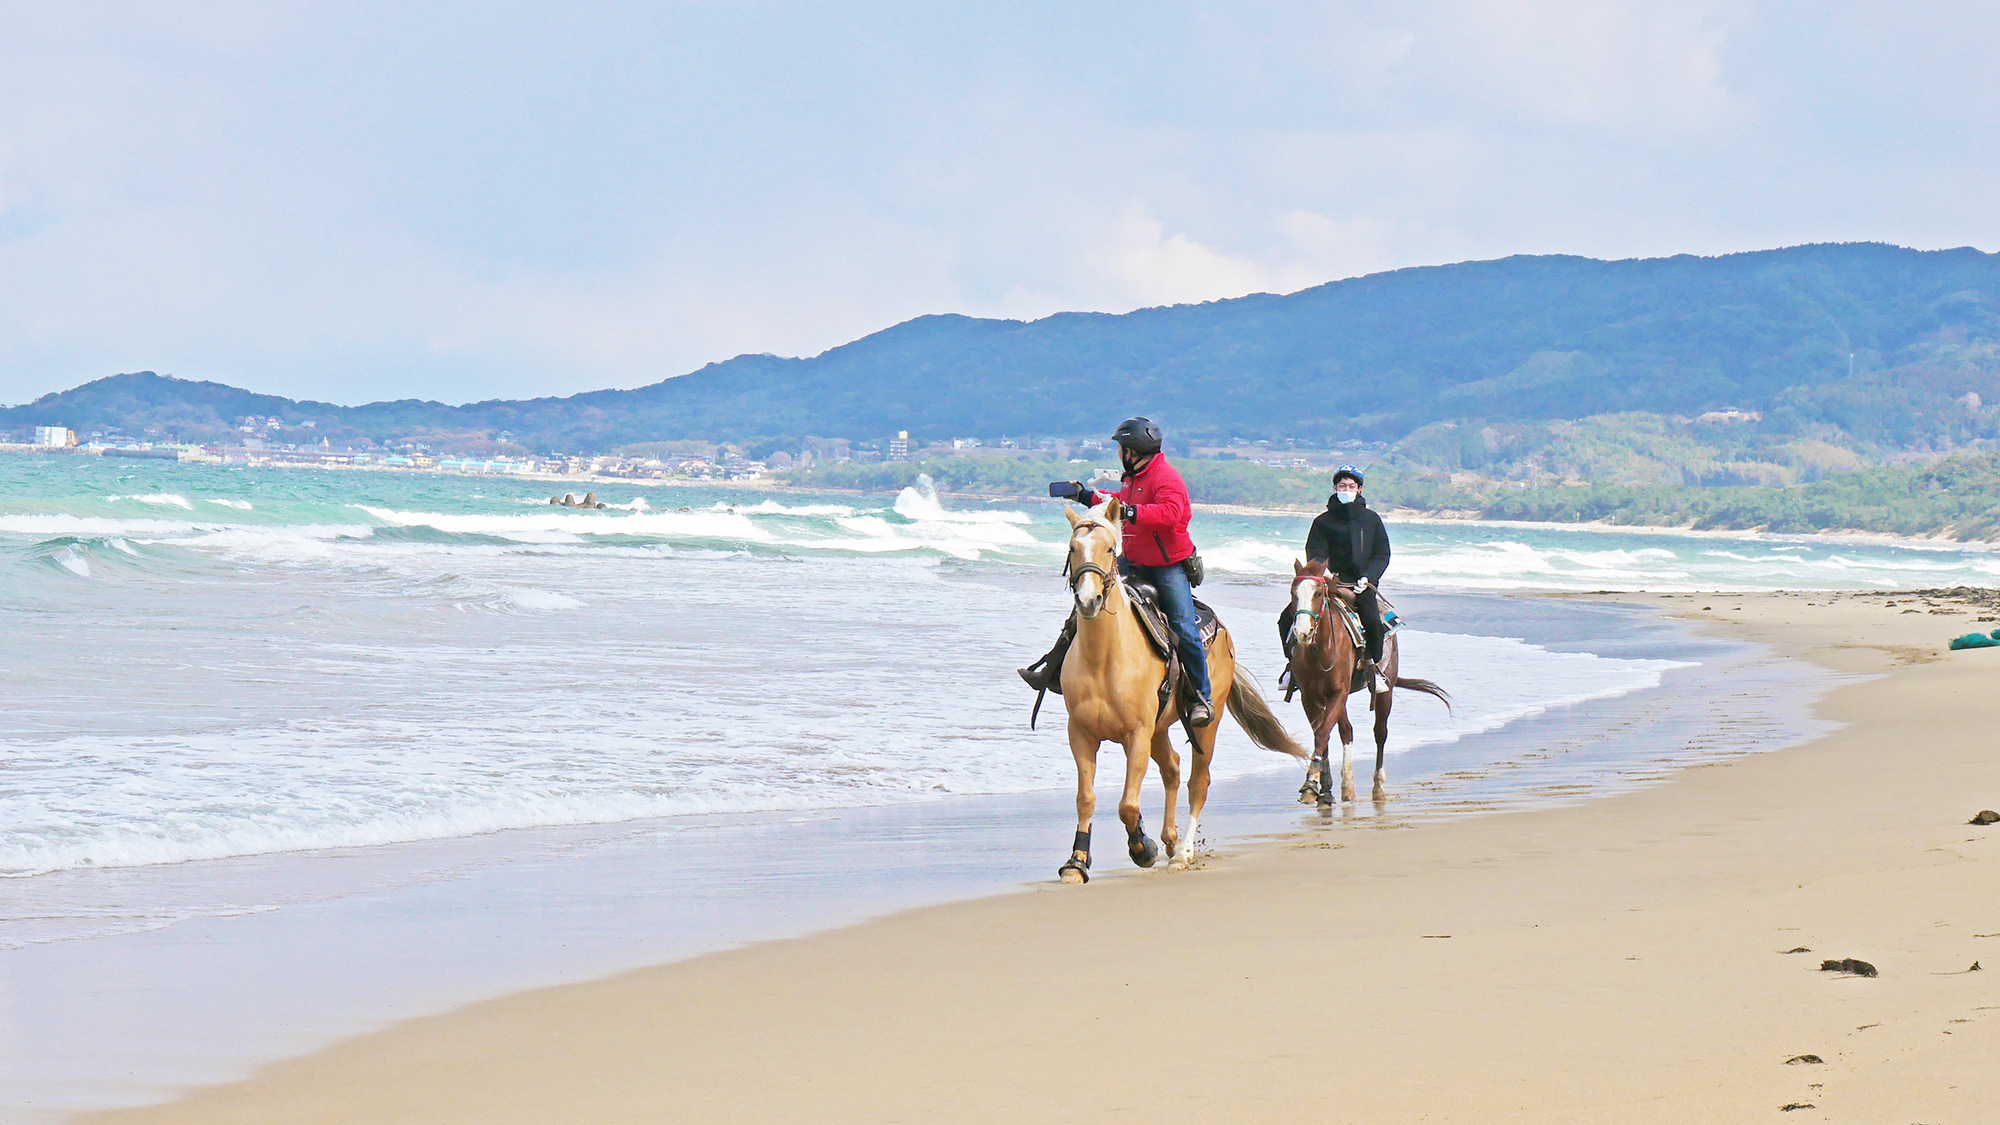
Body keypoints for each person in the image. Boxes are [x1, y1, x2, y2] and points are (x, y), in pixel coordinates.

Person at [1018, 416, 1213, 727]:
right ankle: (1052, 670)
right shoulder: (1134, 477)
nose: (1119, 453)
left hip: (1167, 566)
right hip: (1133, 560)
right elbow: (1117, 505)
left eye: (1121, 448)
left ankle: (1202, 697)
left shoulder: (1166, 478)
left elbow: (1173, 514)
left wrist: (1132, 512)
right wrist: (1085, 496)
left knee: (1184, 626)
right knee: (1084, 601)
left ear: (1131, 451)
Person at [1279, 465, 1391, 691]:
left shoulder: (1371, 520)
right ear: (1335, 488)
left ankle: (1373, 667)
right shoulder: (1323, 522)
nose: (1346, 489)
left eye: (1351, 486)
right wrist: (1325, 572)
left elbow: (1382, 554)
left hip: (1361, 585)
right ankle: (1292, 666)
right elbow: (1315, 550)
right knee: (1285, 618)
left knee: (1372, 620)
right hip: (1330, 582)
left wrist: (1368, 577)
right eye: (1342, 486)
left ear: (1359, 489)